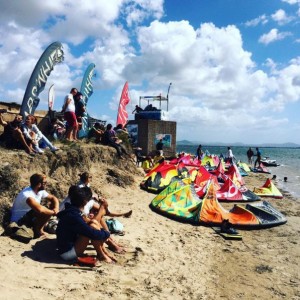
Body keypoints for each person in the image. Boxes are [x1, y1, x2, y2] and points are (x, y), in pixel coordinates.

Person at [56, 186, 114, 263]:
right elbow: (93, 234)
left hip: (68, 246)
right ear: (84, 202)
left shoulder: (71, 210)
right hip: (67, 254)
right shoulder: (74, 216)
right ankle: (102, 255)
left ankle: (103, 253)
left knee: (93, 223)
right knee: (92, 229)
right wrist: (106, 233)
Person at [10, 173, 59, 238]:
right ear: (39, 184)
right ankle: (37, 232)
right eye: (45, 183)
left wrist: (56, 208)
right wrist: (53, 212)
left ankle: (39, 229)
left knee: (49, 207)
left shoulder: (39, 191)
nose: (46, 184)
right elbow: (40, 210)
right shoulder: (27, 195)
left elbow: (53, 198)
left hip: (29, 216)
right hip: (19, 221)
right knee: (44, 210)